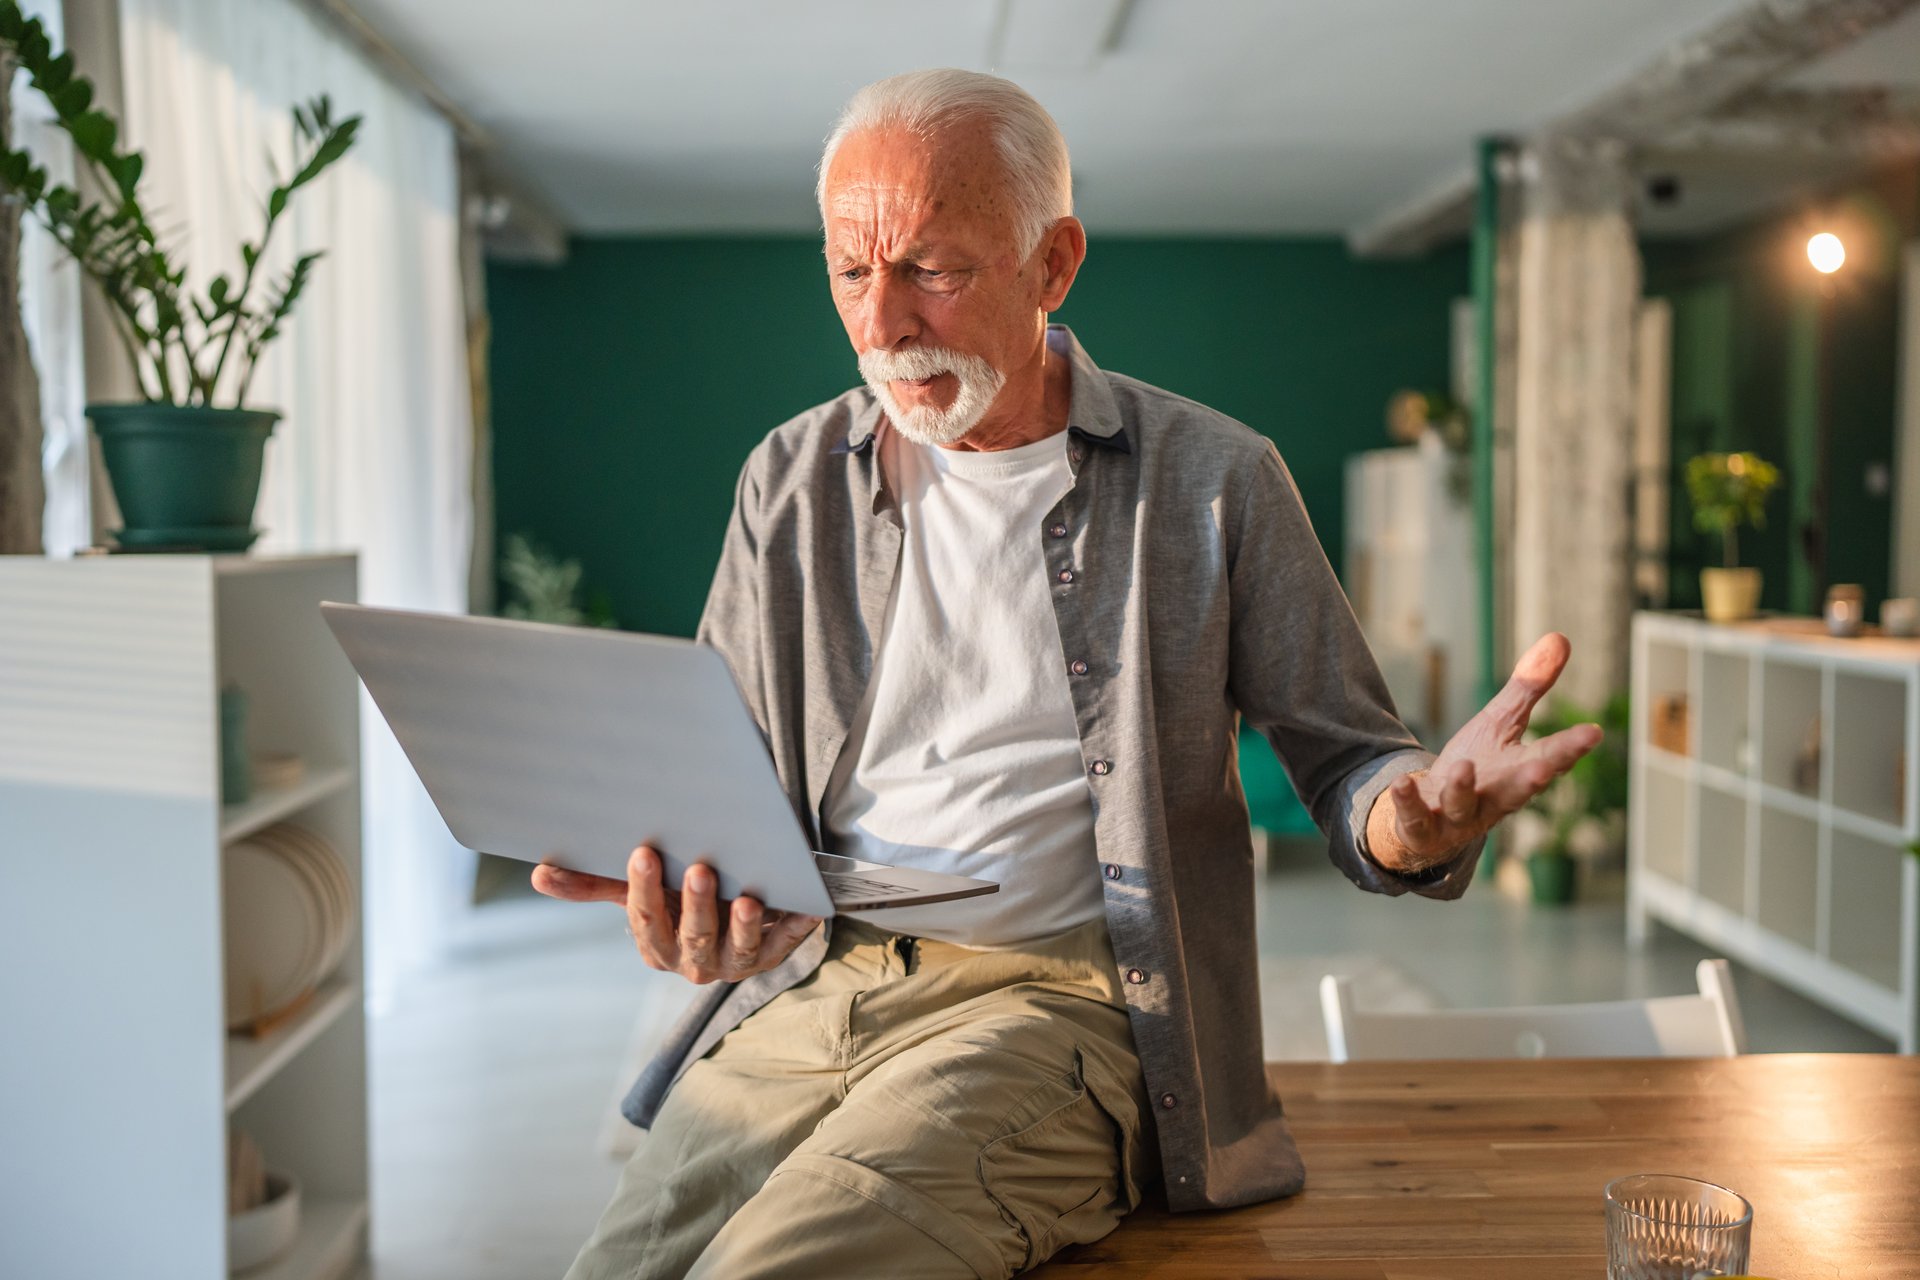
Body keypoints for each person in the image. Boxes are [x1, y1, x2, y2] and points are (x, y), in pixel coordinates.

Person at [537, 68, 1600, 1280]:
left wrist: (1406, 821)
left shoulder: (1215, 477)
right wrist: (696, 906)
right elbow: (717, 781)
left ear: (1053, 264)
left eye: (932, 268)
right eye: (848, 269)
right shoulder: (786, 479)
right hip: (814, 987)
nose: (883, 322)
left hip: (1060, 1006)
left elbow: (1356, 758)